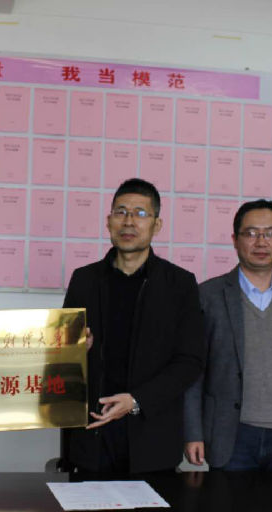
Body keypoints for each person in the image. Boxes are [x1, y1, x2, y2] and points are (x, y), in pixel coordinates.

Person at [62, 178, 205, 474]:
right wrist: (76, 349)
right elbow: (61, 355)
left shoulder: (179, 284)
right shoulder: (84, 280)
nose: (129, 222)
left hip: (152, 435)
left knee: (153, 507)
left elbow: (190, 361)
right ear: (108, 221)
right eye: (121, 212)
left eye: (140, 213)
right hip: (92, 435)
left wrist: (137, 401)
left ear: (157, 224)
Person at [183, 199, 272, 471]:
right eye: (251, 233)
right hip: (230, 432)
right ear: (235, 240)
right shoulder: (208, 295)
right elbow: (194, 371)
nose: (261, 242)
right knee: (224, 500)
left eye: (270, 233)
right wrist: (193, 432)